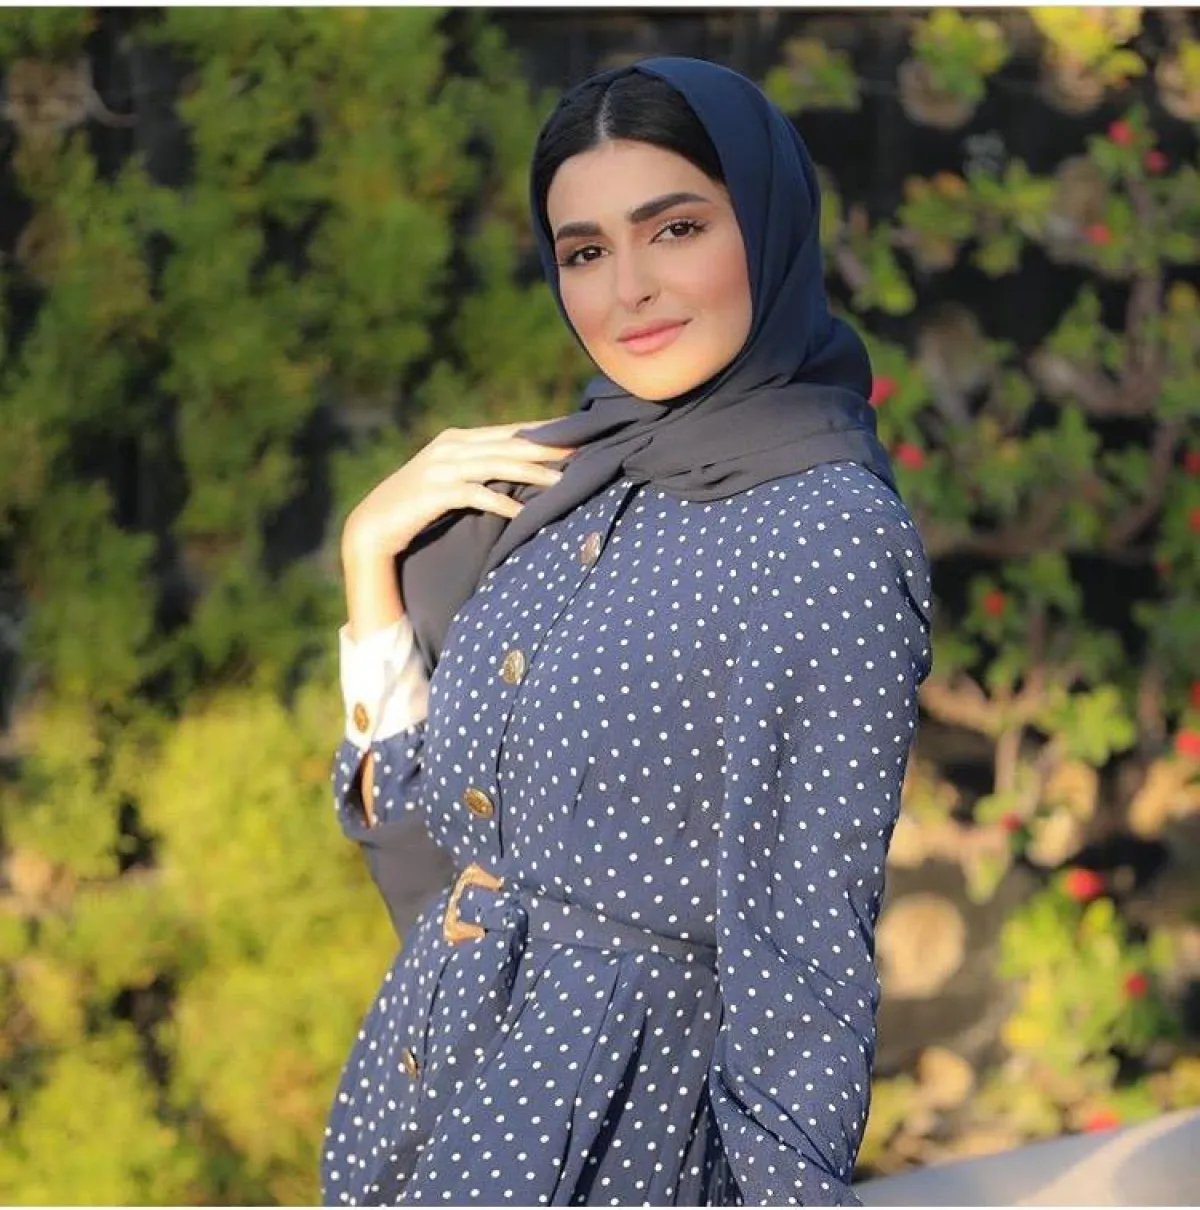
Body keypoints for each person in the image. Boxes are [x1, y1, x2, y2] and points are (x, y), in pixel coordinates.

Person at [322, 55, 933, 1207]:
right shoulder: (571, 488)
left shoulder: (825, 534)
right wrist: (370, 563)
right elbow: (433, 861)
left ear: (766, 224)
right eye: (586, 251)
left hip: (618, 1150)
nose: (630, 290)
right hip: (423, 1120)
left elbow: (802, 949)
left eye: (676, 228)